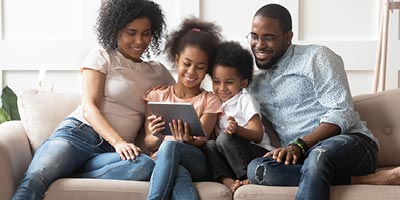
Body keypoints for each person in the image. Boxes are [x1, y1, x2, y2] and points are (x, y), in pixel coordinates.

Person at [12, 0, 175, 199]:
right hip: (78, 135)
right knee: (37, 176)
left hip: (112, 153)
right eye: (131, 33)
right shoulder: (103, 56)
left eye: (146, 33)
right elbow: (89, 107)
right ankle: (59, 170)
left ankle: (68, 172)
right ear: (116, 30)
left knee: (144, 165)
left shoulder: (158, 72)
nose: (140, 41)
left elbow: (184, 97)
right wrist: (118, 141)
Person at [245, 4, 379, 200]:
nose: (259, 44)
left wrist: (300, 145)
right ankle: (363, 180)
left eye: (269, 37)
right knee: (257, 169)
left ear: (288, 38)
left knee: (318, 156)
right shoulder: (253, 84)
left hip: (351, 144)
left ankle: (322, 170)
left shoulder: (316, 57)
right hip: (302, 157)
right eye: (254, 36)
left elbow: (343, 111)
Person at [144, 17, 223, 200]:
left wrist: (187, 140)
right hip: (165, 162)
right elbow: (148, 143)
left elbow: (201, 140)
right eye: (187, 64)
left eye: (200, 67)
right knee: (178, 171)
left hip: (197, 161)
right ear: (177, 60)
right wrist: (156, 135)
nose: (191, 72)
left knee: (172, 145)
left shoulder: (210, 100)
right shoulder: (157, 97)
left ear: (207, 70)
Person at [202, 41, 274, 193]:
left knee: (224, 139)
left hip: (258, 153)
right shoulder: (215, 103)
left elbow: (258, 134)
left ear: (243, 82)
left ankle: (245, 177)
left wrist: (238, 130)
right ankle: (227, 180)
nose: (221, 88)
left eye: (229, 82)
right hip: (231, 156)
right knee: (209, 145)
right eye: (216, 82)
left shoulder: (245, 100)